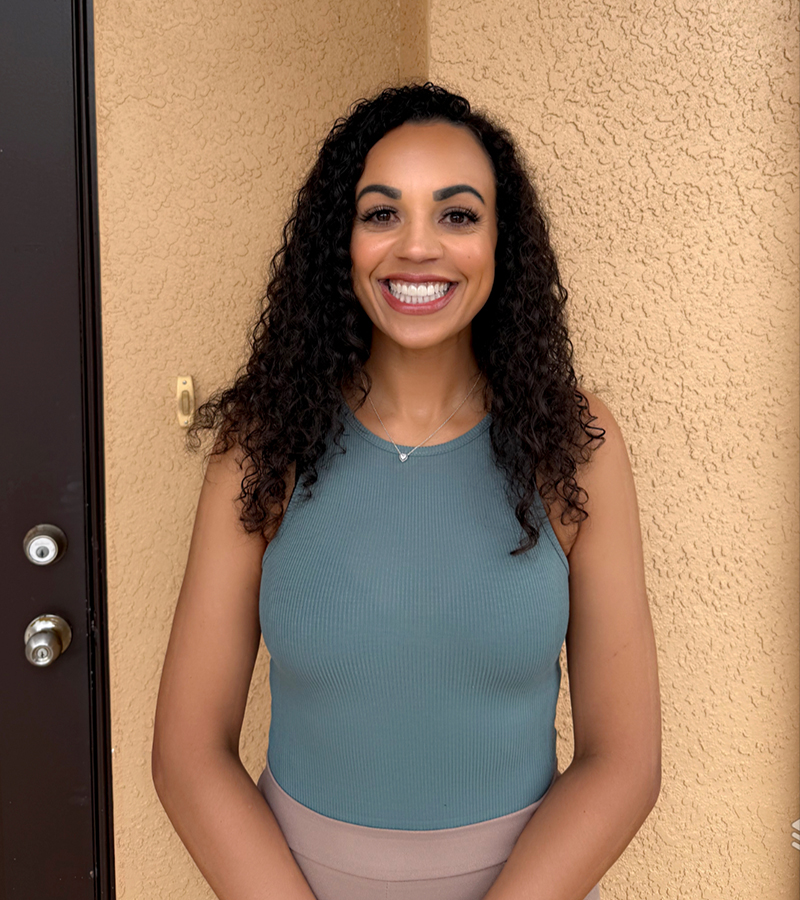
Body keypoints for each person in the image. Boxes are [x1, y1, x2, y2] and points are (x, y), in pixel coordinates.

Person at [152, 82, 662, 900]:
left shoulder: (575, 445)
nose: (417, 246)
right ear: (342, 240)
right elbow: (187, 754)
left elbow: (625, 762)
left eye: (457, 214)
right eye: (382, 213)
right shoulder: (263, 441)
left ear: (501, 243)